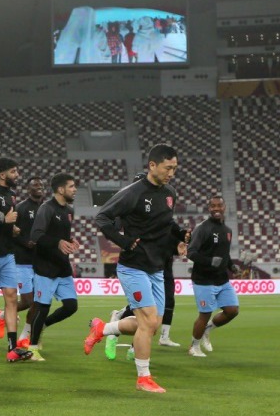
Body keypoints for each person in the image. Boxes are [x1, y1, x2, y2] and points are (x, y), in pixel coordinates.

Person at [85, 144, 188, 393]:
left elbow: (166, 222)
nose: (172, 173)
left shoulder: (170, 192)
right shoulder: (132, 193)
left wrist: (179, 237)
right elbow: (102, 218)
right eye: (168, 168)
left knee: (151, 325)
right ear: (152, 165)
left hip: (157, 267)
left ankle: (103, 328)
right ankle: (144, 377)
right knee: (148, 322)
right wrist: (123, 242)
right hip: (134, 267)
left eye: (174, 168)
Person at [25, 173, 81, 362]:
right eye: (71, 186)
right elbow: (36, 235)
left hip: (62, 266)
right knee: (42, 307)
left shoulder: (69, 210)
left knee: (71, 306)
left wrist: (70, 242)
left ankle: (44, 326)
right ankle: (32, 349)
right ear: (60, 189)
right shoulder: (46, 209)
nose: (75, 189)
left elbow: (61, 234)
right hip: (45, 267)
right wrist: (57, 243)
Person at [0, 158, 33, 362]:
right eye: (14, 172)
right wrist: (6, 222)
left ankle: (12, 348)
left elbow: (4, 223)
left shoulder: (11, 195)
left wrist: (11, 229)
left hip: (7, 254)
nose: (17, 175)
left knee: (11, 297)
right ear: (2, 175)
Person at [186, 194, 239, 357]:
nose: (216, 209)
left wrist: (231, 266)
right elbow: (191, 252)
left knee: (232, 310)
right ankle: (193, 347)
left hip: (222, 279)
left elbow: (225, 254)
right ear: (209, 209)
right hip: (204, 280)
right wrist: (209, 261)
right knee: (205, 313)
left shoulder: (227, 231)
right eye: (213, 206)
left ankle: (207, 330)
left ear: (224, 208)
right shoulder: (203, 228)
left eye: (219, 206)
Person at [12, 177, 45, 349]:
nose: (39, 187)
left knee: (38, 302)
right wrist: (26, 242)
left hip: (40, 262)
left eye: (40, 185)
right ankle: (4, 315)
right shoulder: (21, 208)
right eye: (35, 185)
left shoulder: (46, 208)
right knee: (27, 301)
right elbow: (11, 233)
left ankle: (25, 334)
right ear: (28, 189)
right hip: (22, 261)